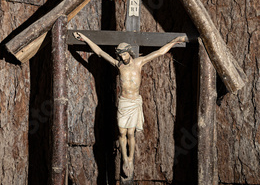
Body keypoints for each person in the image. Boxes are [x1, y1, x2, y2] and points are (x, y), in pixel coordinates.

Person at [73, 32, 186, 177]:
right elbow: (99, 52)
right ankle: (124, 158)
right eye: (120, 56)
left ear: (129, 53)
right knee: (121, 132)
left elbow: (159, 52)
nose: (122, 58)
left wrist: (175, 41)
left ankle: (130, 159)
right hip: (124, 102)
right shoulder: (118, 65)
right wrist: (85, 38)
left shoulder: (139, 62)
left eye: (124, 55)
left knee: (131, 133)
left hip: (134, 102)